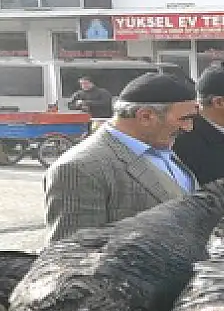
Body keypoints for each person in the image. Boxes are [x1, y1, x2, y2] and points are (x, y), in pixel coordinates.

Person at [43, 72, 200, 244]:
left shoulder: (161, 146)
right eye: (185, 119)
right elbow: (72, 258)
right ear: (146, 116)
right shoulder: (79, 168)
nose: (189, 128)